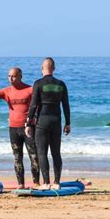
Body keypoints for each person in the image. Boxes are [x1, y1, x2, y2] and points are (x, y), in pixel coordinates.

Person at [0, 67, 40, 189]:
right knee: (17, 157)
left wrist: (34, 118)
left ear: (20, 76)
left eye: (13, 76)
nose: (10, 78)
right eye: (8, 76)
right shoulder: (7, 91)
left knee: (34, 156)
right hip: (13, 129)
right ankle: (21, 184)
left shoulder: (30, 89)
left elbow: (38, 105)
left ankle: (36, 183)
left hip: (28, 128)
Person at [25, 57, 70, 190]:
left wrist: (28, 123)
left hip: (42, 121)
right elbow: (66, 105)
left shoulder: (38, 83)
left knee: (42, 152)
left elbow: (33, 105)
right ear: (54, 69)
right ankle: (56, 182)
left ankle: (45, 183)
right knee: (56, 152)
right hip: (56, 120)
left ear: (42, 68)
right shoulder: (61, 84)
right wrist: (68, 123)